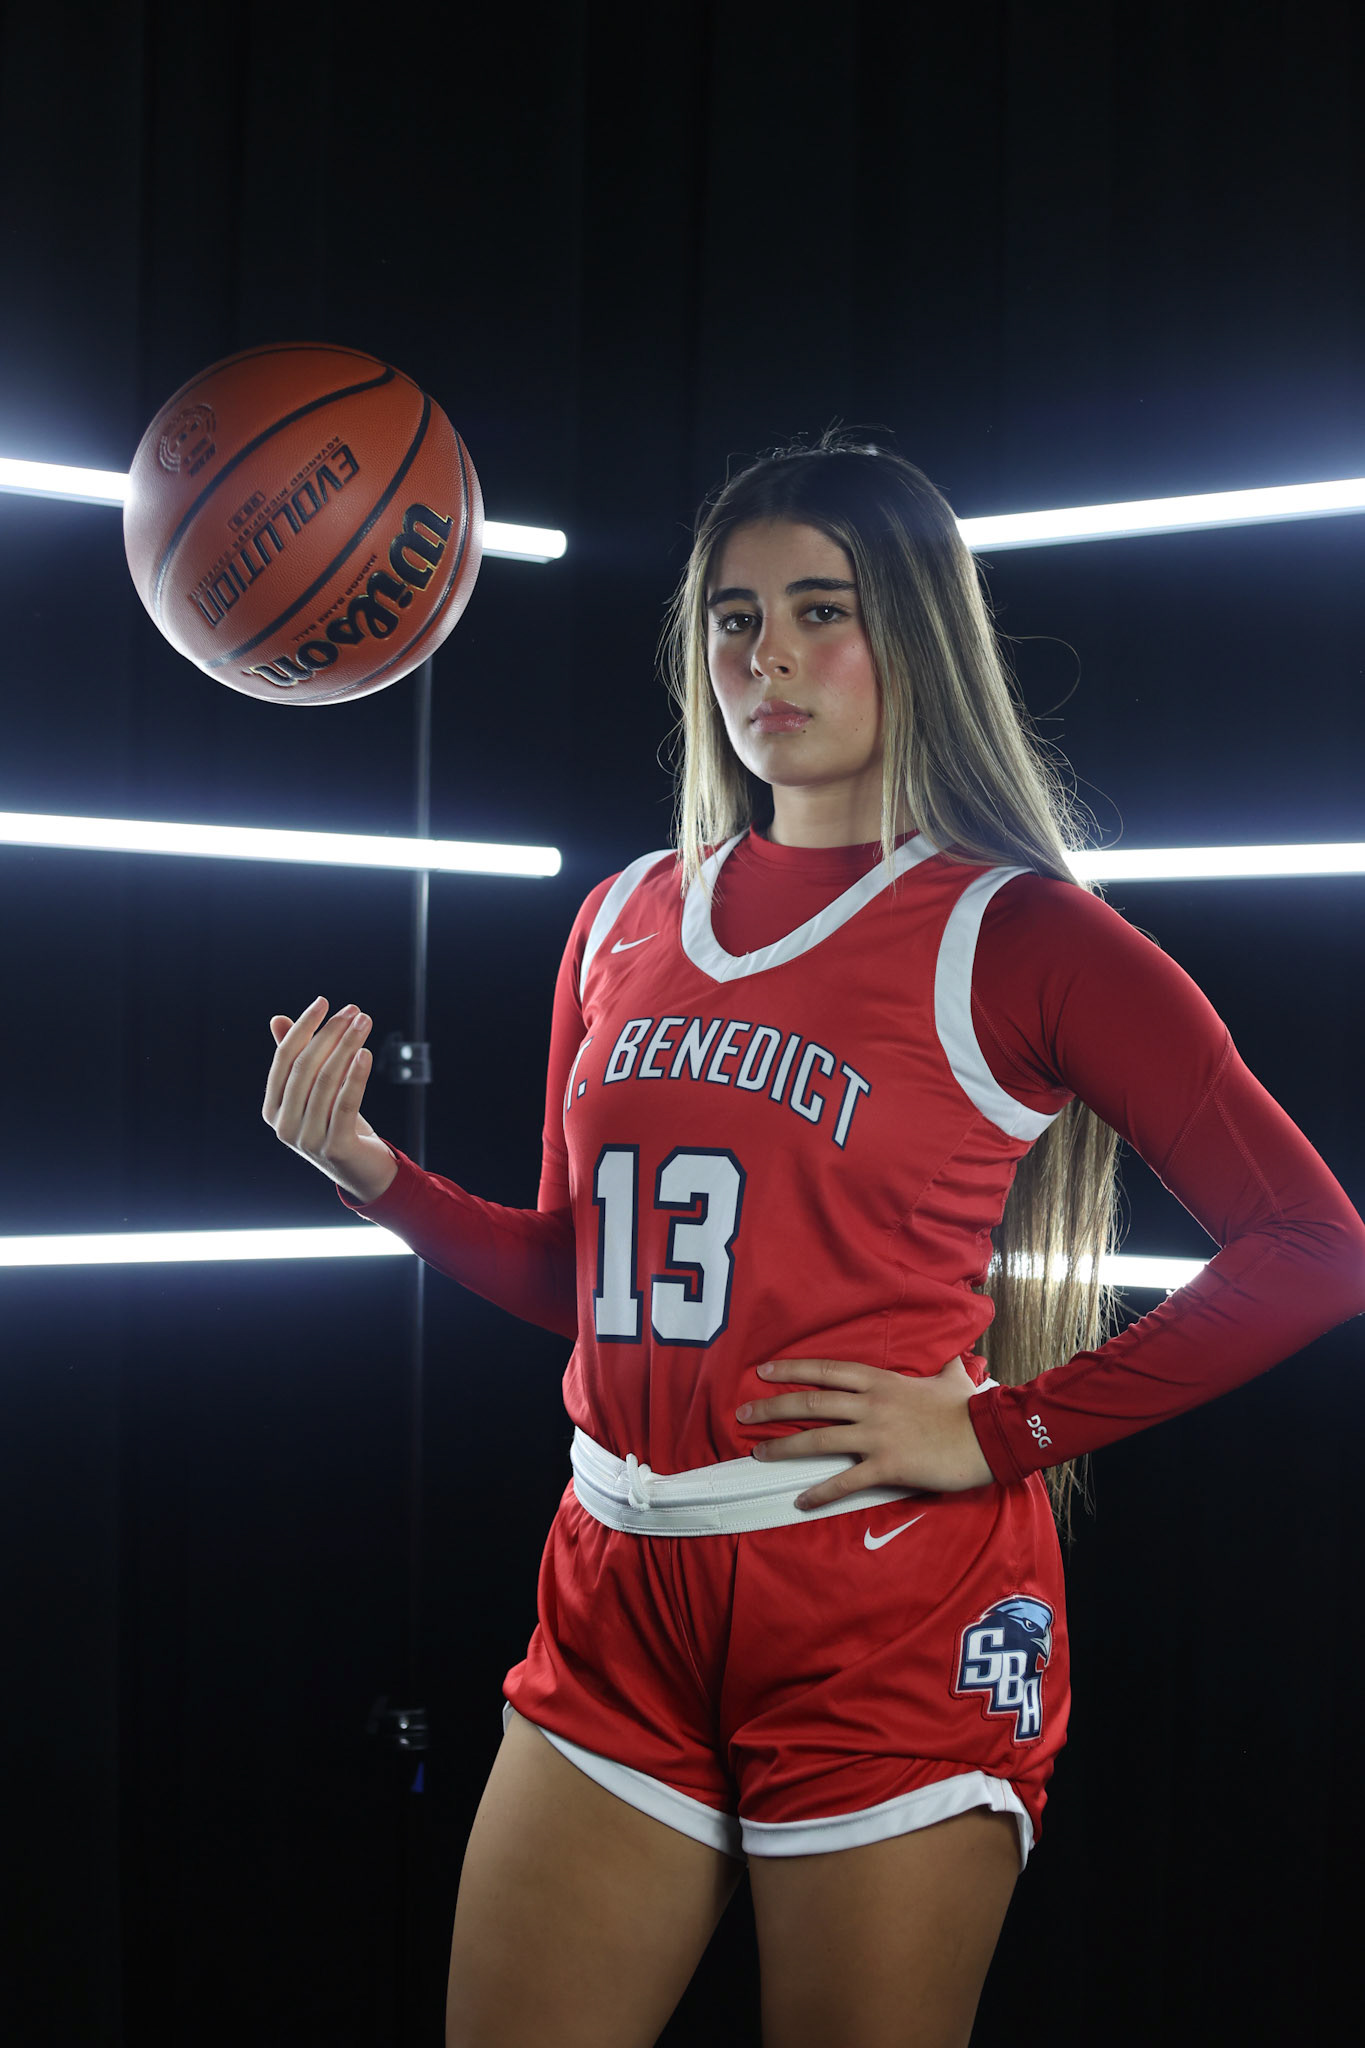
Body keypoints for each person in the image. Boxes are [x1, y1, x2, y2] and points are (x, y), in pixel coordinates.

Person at [262, 434, 1365, 2048]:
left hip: (881, 1608)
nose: (763, 655)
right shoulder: (628, 913)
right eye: (729, 617)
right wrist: (373, 1172)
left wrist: (1005, 1429)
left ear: (913, 635)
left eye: (818, 609)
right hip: (613, 1584)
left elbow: (1314, 1247)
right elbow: (587, 1285)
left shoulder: (1022, 935)